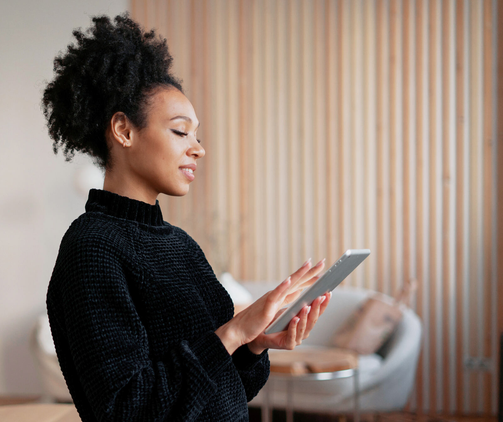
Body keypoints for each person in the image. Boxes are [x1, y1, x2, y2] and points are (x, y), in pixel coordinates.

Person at [43, 14, 330, 422]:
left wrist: (253, 344)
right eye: (180, 132)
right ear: (123, 129)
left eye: (198, 135)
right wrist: (231, 333)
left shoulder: (181, 246)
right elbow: (127, 409)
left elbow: (230, 392)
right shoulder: (91, 249)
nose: (198, 149)